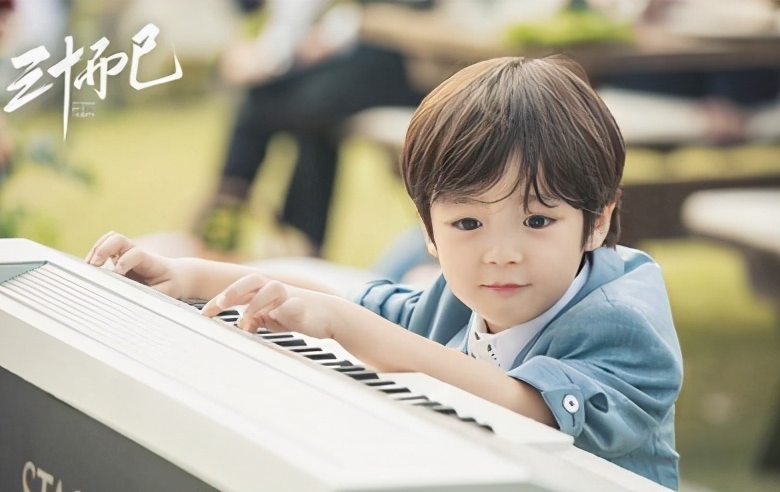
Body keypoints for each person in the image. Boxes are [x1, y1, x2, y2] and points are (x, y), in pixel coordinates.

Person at [86, 56, 683, 489]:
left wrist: (344, 324)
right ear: (427, 230)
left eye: (537, 221)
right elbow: (356, 301)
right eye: (468, 225)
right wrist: (188, 274)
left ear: (598, 221)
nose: (501, 254)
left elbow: (525, 404)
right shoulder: (457, 295)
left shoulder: (624, 322)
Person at [195, 0, 424, 254]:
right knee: (275, 102)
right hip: (322, 61)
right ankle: (291, 235)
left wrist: (337, 29)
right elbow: (255, 16)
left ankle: (232, 206)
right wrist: (250, 46)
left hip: (401, 56)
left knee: (302, 107)